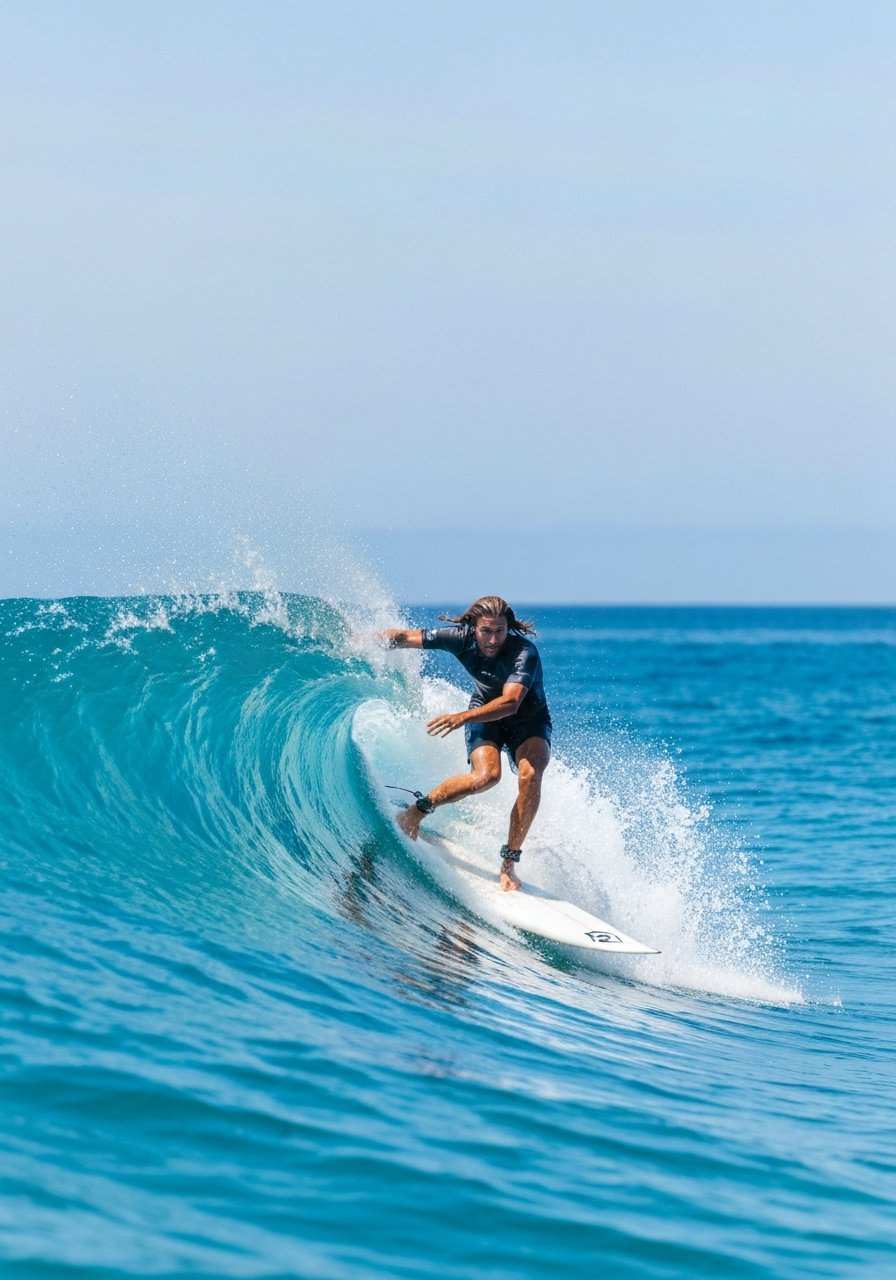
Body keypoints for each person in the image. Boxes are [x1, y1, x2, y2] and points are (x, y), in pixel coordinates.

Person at [381, 596, 551, 892]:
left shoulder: (525, 653)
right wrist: (359, 641)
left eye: (500, 630)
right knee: (485, 778)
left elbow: (511, 702)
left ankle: (509, 864)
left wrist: (462, 716)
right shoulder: (459, 638)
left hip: (528, 719)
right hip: (484, 713)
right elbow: (403, 637)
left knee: (531, 774)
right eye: (487, 631)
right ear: (474, 627)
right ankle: (415, 813)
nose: (494, 639)